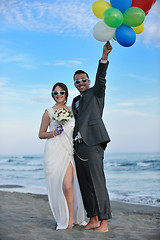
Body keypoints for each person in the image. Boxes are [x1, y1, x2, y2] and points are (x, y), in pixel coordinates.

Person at [72, 41, 112, 232]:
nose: (81, 83)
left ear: (88, 81)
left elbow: (101, 78)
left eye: (83, 80)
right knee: (85, 184)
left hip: (93, 143)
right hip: (78, 146)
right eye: (77, 81)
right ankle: (93, 218)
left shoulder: (96, 92)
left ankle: (104, 222)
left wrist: (104, 58)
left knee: (97, 183)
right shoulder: (75, 101)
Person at [39, 82, 86, 230]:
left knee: (67, 187)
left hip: (69, 150)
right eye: (55, 93)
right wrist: (55, 132)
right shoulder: (49, 111)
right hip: (53, 151)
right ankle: (63, 218)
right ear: (52, 95)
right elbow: (41, 134)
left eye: (61, 92)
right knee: (58, 187)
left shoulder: (73, 110)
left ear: (66, 94)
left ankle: (70, 221)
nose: (58, 95)